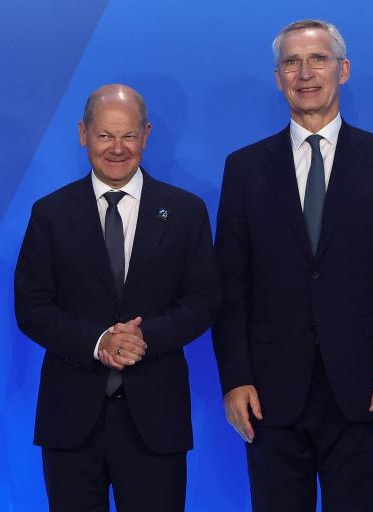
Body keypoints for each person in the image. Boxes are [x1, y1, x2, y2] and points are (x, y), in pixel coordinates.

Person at [213, 19, 373, 511]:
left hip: (366, 390)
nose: (305, 73)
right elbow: (230, 283)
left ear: (343, 70)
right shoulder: (244, 168)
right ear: (278, 76)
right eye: (292, 62)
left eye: (318, 59)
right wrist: (235, 379)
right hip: (268, 392)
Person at [15, 84, 220, 511]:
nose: (117, 148)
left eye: (128, 136)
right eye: (105, 135)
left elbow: (203, 299)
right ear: (83, 134)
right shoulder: (50, 213)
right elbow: (31, 307)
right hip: (71, 421)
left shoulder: (184, 211)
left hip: (156, 421)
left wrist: (144, 339)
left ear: (146, 135)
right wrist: (98, 341)